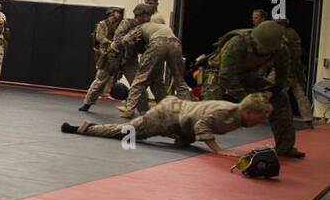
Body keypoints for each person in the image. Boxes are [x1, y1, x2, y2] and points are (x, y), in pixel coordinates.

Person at [199, 20, 303, 159]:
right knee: (211, 104)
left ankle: (286, 146)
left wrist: (274, 90)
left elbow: (283, 74)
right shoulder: (237, 43)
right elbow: (227, 78)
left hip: (246, 75)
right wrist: (250, 100)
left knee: (281, 99)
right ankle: (186, 132)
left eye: (270, 49)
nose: (267, 51)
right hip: (218, 73)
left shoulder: (279, 48)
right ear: (255, 41)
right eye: (264, 48)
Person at [61, 93, 271, 156]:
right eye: (259, 117)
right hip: (168, 115)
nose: (260, 122)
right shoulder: (227, 113)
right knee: (127, 132)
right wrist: (218, 151)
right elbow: (201, 127)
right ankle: (83, 127)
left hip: (181, 121)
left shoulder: (237, 115)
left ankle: (179, 137)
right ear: (248, 111)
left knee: (185, 140)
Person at [113, 3, 192, 117]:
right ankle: (188, 112)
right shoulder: (159, 23)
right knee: (180, 82)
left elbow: (125, 40)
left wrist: (128, 54)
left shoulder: (140, 26)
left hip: (157, 45)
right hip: (175, 44)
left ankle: (129, 110)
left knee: (139, 80)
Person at [79, 5, 138, 112]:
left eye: (119, 13)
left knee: (135, 82)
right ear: (110, 13)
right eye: (116, 12)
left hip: (124, 56)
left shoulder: (124, 24)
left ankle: (136, 107)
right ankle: (87, 103)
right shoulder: (102, 24)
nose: (118, 15)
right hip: (108, 54)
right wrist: (111, 44)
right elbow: (99, 37)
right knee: (100, 81)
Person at [276, 20, 314, 121]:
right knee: (299, 94)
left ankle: (273, 113)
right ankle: (308, 117)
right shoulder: (293, 33)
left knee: (276, 91)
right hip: (295, 67)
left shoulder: (281, 35)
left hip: (285, 67)